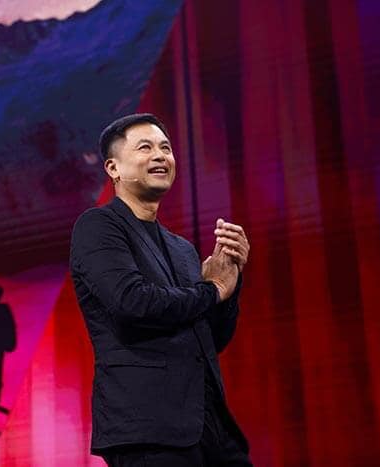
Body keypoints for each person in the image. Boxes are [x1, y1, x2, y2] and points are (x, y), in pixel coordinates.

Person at [70, 114, 252, 466]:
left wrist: (231, 280)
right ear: (113, 168)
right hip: (149, 429)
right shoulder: (98, 226)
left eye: (166, 148)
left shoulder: (181, 248)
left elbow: (208, 339)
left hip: (209, 426)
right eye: (145, 147)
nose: (160, 156)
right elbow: (132, 302)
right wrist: (213, 290)